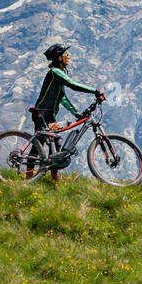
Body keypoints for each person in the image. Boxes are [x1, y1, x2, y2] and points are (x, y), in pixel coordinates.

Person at [26, 43, 105, 181]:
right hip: (41, 114)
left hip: (49, 115)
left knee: (54, 143)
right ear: (59, 58)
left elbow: (62, 98)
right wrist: (95, 90)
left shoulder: (59, 73)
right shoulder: (55, 72)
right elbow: (72, 85)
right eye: (66, 54)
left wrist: (76, 114)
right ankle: (29, 177)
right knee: (39, 144)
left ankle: (54, 178)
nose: (69, 57)